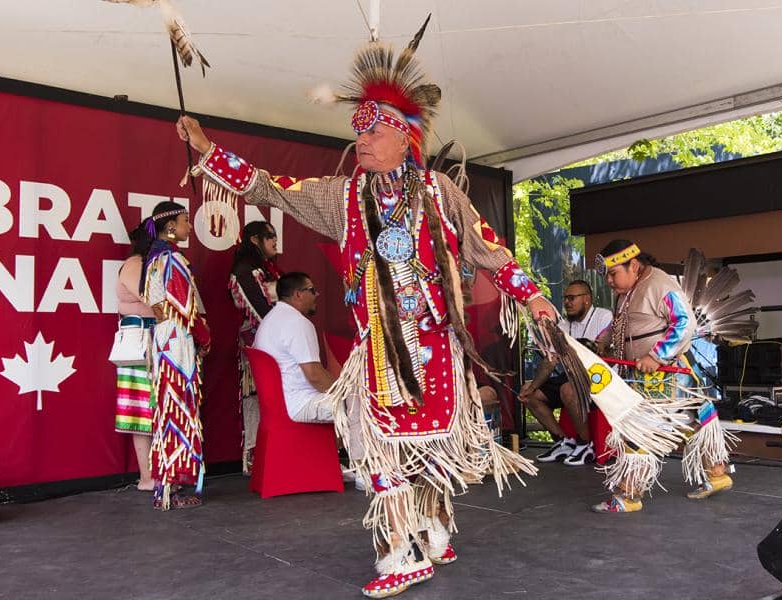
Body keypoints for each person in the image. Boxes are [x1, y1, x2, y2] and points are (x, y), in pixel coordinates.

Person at [175, 20, 552, 597]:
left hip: (436, 346)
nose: (363, 141)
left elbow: (485, 247)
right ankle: (402, 550)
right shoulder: (341, 196)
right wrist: (209, 152)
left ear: (405, 136)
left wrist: (531, 294)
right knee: (377, 446)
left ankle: (432, 532)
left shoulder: (440, 193)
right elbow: (270, 187)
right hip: (379, 350)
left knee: (430, 448)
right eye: (360, 131)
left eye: (375, 131)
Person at [589, 240, 734, 513]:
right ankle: (717, 474)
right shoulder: (629, 288)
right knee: (692, 422)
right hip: (648, 373)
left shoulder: (659, 285)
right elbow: (623, 322)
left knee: (639, 430)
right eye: (607, 275)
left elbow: (685, 322)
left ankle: (629, 494)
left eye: (613, 273)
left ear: (634, 265)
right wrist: (602, 340)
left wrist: (656, 356)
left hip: (663, 375)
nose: (608, 280)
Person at [141, 201, 211, 511]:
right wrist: (204, 336)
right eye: (185, 220)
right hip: (177, 337)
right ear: (171, 226)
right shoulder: (172, 259)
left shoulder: (155, 257)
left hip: (163, 336)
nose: (189, 226)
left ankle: (166, 486)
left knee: (169, 407)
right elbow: (185, 309)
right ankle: (173, 487)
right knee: (179, 406)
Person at [520, 280, 612, 466]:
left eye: (572, 298)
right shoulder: (562, 326)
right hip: (570, 377)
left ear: (586, 299)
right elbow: (550, 360)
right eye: (565, 299)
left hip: (599, 377)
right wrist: (532, 387)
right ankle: (564, 442)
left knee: (568, 389)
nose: (567, 303)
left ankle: (585, 444)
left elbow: (601, 348)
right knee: (529, 394)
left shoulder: (603, 316)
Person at [229, 220, 283, 473]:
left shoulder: (266, 269)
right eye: (269, 236)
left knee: (272, 396)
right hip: (259, 341)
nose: (275, 240)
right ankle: (256, 456)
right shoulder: (245, 271)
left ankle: (275, 452)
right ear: (254, 240)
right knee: (256, 396)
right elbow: (260, 310)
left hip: (276, 340)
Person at [254, 272, 337, 423]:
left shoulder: (270, 319)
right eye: (312, 290)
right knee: (361, 407)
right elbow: (315, 376)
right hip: (300, 403)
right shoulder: (297, 322)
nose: (317, 294)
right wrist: (343, 392)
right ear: (298, 294)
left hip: (280, 404)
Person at [113, 223, 157, 491]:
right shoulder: (135, 264)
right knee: (141, 410)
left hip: (158, 337)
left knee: (160, 406)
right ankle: (147, 476)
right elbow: (153, 298)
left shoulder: (150, 264)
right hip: (140, 340)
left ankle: (161, 472)